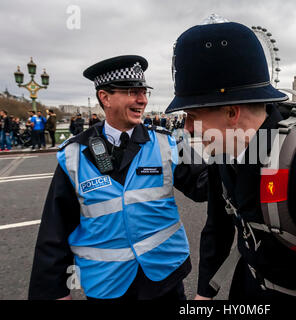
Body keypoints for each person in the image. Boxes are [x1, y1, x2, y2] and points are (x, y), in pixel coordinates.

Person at [165, 20, 296, 300]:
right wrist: (204, 293)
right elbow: (217, 230)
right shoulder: (224, 153)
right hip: (248, 287)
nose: (188, 129)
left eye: (192, 116)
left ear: (232, 113)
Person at [29, 55, 208, 300]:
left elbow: (205, 186)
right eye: (133, 92)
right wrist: (54, 292)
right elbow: (55, 229)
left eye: (144, 92)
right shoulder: (73, 155)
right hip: (108, 285)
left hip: (163, 278)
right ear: (104, 97)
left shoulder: (168, 141)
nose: (143, 100)